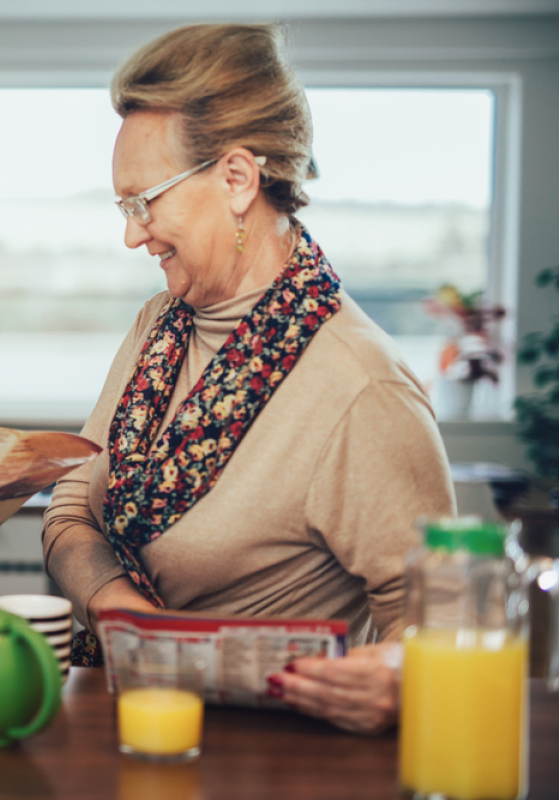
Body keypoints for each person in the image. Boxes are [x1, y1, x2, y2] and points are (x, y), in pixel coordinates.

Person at [41, 23, 455, 734]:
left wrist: (402, 679)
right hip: (131, 727)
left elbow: (442, 624)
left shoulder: (361, 387)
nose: (132, 235)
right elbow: (71, 508)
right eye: (124, 208)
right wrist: (126, 619)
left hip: (270, 761)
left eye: (146, 202)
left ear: (237, 179)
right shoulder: (158, 325)